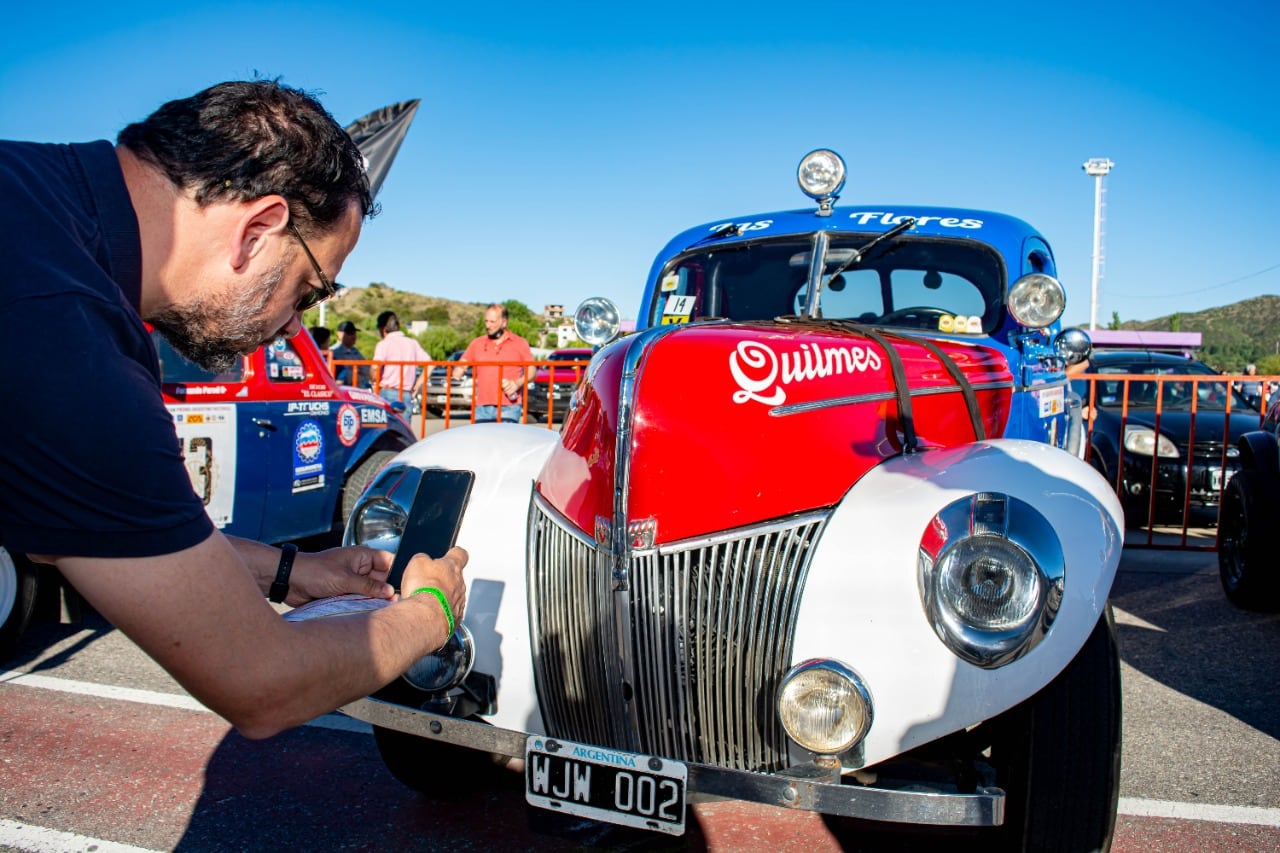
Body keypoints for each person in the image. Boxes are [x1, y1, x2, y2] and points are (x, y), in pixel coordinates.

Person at [0, 80, 467, 740]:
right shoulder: (66, 333)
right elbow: (263, 682)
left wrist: (293, 572)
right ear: (257, 229)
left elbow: (67, 536)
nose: (289, 325)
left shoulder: (38, 202)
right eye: (307, 289)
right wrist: (431, 609)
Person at [456, 303, 535, 423]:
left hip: (509, 406)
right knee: (482, 441)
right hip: (482, 407)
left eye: (492, 322)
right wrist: (459, 370)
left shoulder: (520, 343)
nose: (488, 325)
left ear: (504, 322)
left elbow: (532, 371)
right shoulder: (477, 343)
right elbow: (461, 365)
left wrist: (517, 383)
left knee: (506, 441)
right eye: (486, 321)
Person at [372, 310, 430, 410]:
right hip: (406, 394)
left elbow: (375, 368)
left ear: (383, 329)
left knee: (386, 425)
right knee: (404, 425)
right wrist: (418, 384)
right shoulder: (412, 343)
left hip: (387, 392)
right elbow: (430, 364)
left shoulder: (384, 344)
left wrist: (374, 380)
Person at [330, 319, 371, 388]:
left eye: (354, 333)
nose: (353, 336)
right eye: (350, 333)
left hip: (359, 389)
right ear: (339, 334)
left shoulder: (355, 351)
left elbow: (367, 371)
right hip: (345, 391)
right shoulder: (333, 352)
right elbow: (344, 376)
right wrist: (357, 375)